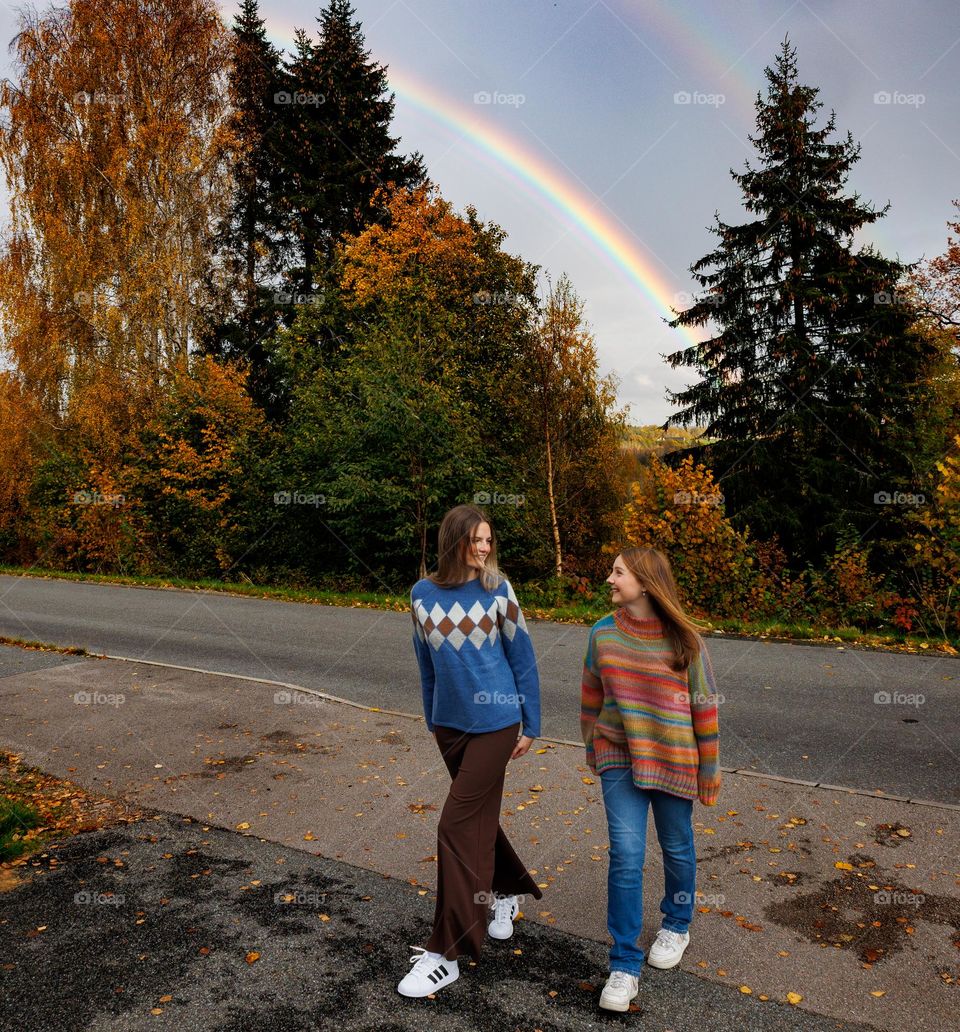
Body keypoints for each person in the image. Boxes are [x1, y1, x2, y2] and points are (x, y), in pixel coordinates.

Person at [398, 503, 543, 998]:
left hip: (497, 724)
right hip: (450, 726)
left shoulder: (496, 591)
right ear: (453, 541)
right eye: (475, 540)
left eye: (488, 540)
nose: (484, 549)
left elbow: (522, 657)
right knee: (478, 817)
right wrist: (432, 718)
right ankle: (504, 893)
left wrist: (532, 723)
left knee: (455, 823)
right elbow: (425, 665)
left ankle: (448, 951)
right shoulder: (421, 594)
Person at [580, 546, 720, 1013]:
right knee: (626, 854)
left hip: (674, 759)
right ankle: (624, 964)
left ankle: (677, 923)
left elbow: (704, 704)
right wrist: (591, 746)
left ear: (645, 581)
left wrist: (711, 767)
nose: (609, 579)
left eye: (617, 572)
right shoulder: (602, 634)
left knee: (677, 845)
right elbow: (591, 696)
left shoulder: (686, 640)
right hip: (619, 757)